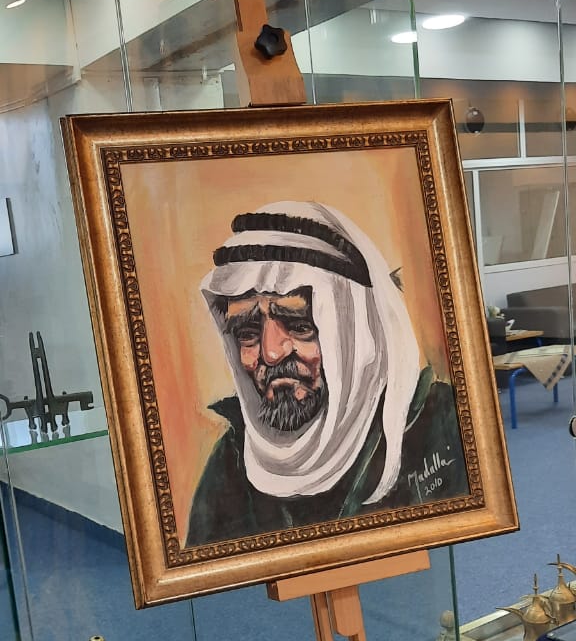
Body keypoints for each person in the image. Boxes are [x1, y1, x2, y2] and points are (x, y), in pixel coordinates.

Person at [186, 201, 468, 546]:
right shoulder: (232, 458)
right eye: (247, 333)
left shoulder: (438, 425)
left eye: (299, 326)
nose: (271, 353)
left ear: (356, 334)